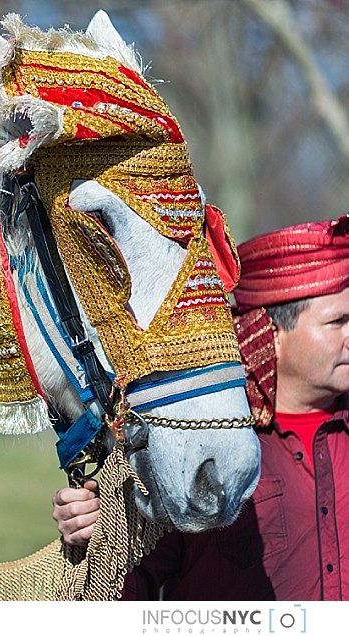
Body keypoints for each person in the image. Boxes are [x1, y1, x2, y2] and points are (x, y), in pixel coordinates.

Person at [53, 214, 349, 601]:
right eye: (338, 321)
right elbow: (128, 591)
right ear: (273, 333)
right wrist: (97, 535)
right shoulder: (197, 443)